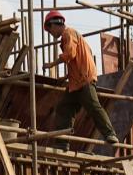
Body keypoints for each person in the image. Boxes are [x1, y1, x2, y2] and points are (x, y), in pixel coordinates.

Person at [41, 10, 119, 150]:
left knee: (93, 106)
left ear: (55, 24)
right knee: (64, 107)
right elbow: (78, 59)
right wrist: (66, 77)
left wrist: (51, 64)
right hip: (76, 82)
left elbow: (70, 54)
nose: (51, 34)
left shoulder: (68, 34)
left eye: (50, 30)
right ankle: (63, 142)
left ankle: (110, 133)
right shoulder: (75, 35)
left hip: (84, 80)